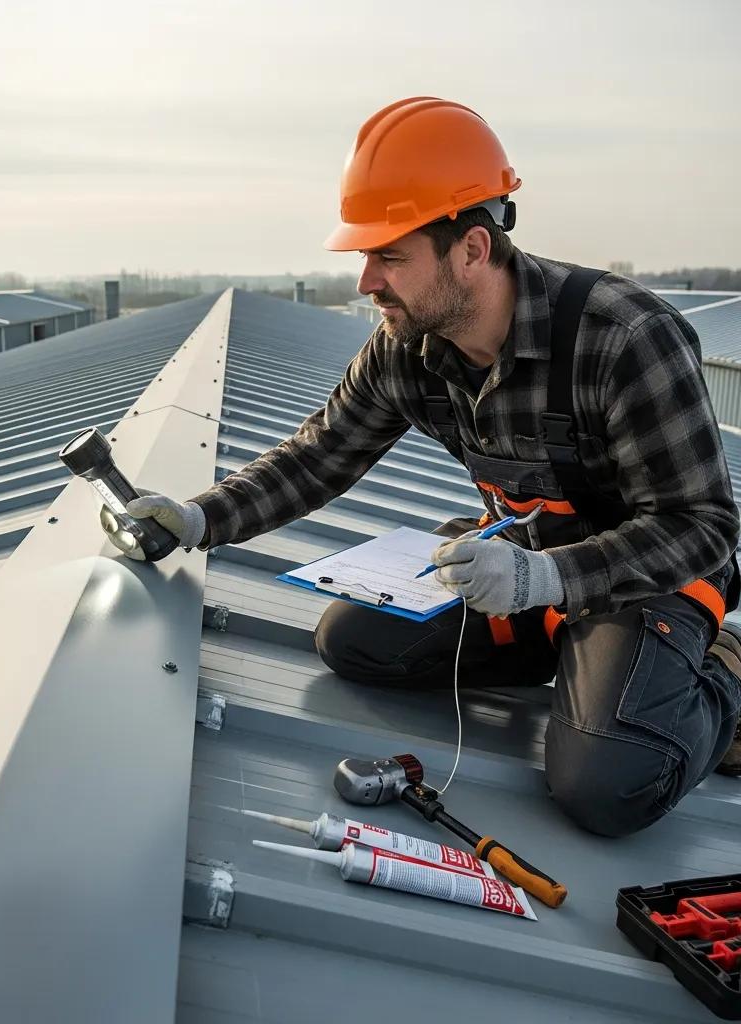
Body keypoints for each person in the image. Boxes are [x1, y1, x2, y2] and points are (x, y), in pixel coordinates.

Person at [126, 97, 741, 837]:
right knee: (351, 640)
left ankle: (722, 673)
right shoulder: (406, 347)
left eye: (390, 255)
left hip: (645, 575)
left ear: (473, 250)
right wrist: (199, 517)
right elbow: (319, 456)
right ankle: (573, 651)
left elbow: (704, 524)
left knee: (607, 784)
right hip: (522, 557)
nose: (366, 282)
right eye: (364, 255)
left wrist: (548, 580)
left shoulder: (620, 338)